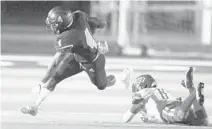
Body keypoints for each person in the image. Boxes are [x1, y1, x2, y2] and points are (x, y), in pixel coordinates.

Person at [21, 6, 116, 116]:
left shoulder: (67, 37)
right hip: (75, 55)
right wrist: (95, 35)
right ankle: (35, 107)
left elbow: (56, 62)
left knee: (101, 86)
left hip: (93, 62)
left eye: (54, 24)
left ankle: (118, 78)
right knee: (55, 78)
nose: (52, 27)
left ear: (62, 23)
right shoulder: (78, 16)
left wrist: (42, 81)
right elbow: (98, 23)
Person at [122, 67, 208, 126]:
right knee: (202, 121)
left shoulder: (143, 92)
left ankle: (194, 92)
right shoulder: (159, 90)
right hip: (179, 104)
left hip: (165, 108)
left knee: (179, 115)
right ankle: (191, 89)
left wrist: (134, 109)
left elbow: (127, 118)